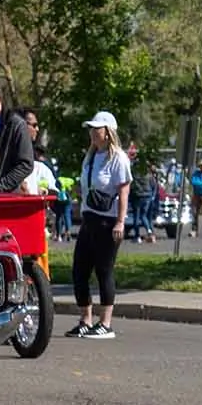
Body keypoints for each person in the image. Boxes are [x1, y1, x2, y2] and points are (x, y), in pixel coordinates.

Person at [67, 111, 131, 338]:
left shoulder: (118, 158)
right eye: (92, 129)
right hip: (89, 218)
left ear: (108, 132)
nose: (93, 133)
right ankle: (86, 319)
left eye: (98, 129)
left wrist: (120, 222)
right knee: (79, 270)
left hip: (108, 220)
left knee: (104, 270)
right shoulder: (91, 156)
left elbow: (124, 191)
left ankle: (106, 323)